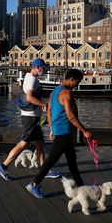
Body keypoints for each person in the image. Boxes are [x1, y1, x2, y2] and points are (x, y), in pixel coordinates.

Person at [25, 69, 93, 198]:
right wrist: (85, 131)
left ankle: (82, 189)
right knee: (51, 161)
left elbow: (49, 112)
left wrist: (52, 129)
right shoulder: (67, 93)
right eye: (77, 82)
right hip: (64, 132)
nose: (76, 85)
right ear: (72, 79)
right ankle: (34, 184)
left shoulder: (54, 92)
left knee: (72, 163)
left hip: (59, 131)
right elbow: (71, 115)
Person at [0, 58, 61, 181]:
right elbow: (30, 98)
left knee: (40, 144)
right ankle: (3, 166)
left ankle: (44, 169)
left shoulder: (29, 77)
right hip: (30, 117)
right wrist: (44, 105)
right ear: (38, 67)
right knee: (23, 144)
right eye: (43, 69)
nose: (44, 71)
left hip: (32, 116)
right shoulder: (32, 79)